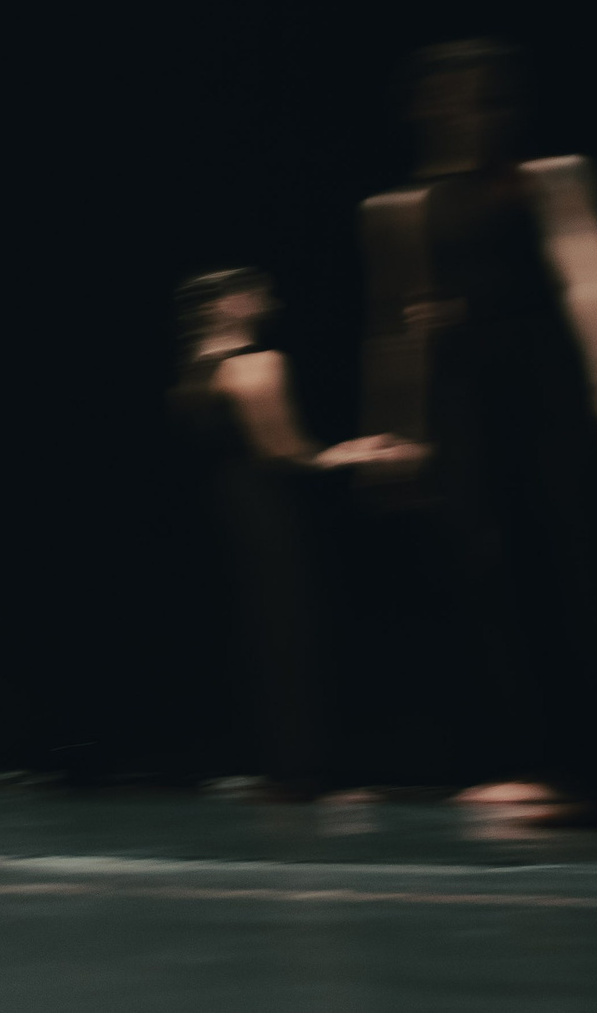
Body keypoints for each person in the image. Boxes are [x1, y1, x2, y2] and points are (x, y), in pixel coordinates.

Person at [356, 40, 597, 827]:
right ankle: (541, 764)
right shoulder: (399, 208)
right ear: (424, 105)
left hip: (547, 385)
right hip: (467, 398)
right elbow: (399, 323)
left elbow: (596, 277)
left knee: (580, 560)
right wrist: (395, 429)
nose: (470, 111)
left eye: (485, 96)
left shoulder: (549, 178)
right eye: (454, 96)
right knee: (492, 569)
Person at [170, 268, 420, 799]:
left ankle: (272, 760)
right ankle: (300, 767)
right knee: (288, 627)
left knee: (252, 629)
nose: (270, 299)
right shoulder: (258, 365)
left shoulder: (191, 369)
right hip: (266, 509)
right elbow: (285, 452)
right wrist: (362, 450)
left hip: (219, 509)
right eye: (256, 292)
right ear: (228, 304)